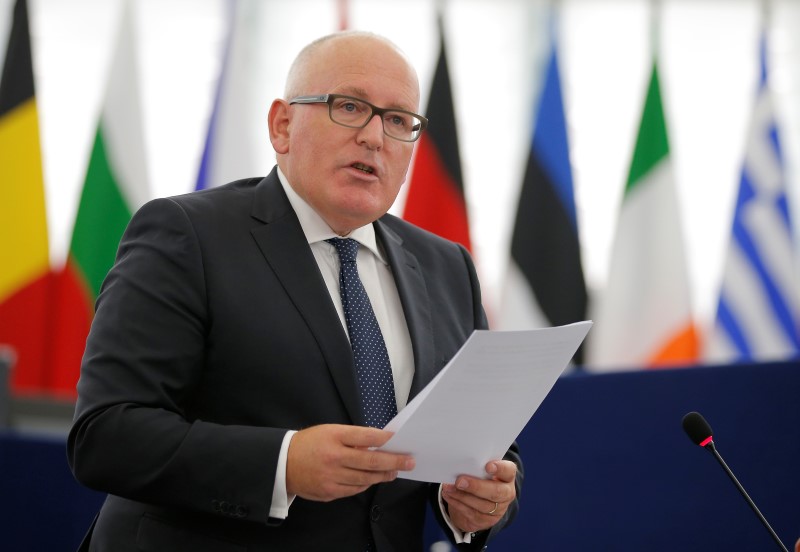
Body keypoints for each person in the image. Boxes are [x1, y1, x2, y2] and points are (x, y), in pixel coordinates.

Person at [67, 30, 522, 551]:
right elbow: (105, 437)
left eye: (398, 121)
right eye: (350, 107)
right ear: (282, 125)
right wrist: (283, 464)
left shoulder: (447, 267)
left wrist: (477, 500)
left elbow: (484, 441)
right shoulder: (185, 235)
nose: (375, 137)